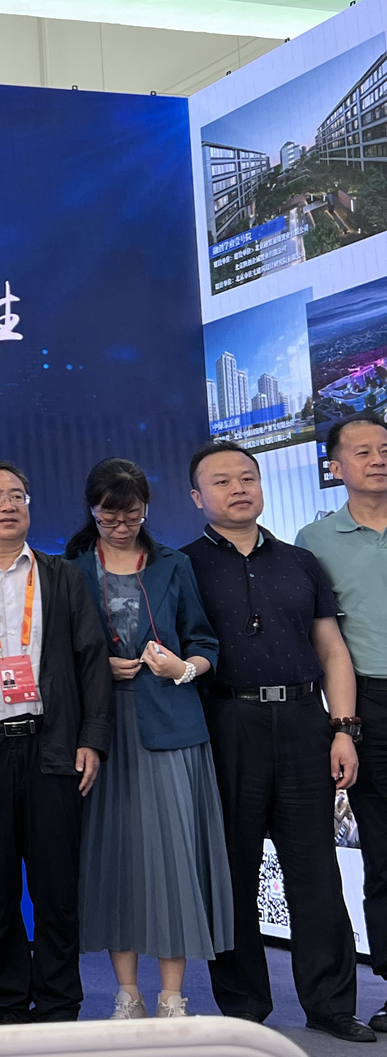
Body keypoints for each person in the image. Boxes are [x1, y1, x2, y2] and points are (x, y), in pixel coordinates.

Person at [186, 439, 371, 1042]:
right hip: (225, 724)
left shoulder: (301, 561)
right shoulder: (181, 566)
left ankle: (331, 1005)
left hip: (302, 722)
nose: (238, 488)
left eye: (247, 477)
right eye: (221, 481)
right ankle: (243, 1007)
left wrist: (342, 729)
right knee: (232, 871)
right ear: (196, 497)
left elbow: (332, 651)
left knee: (314, 869)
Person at [0, 458, 110, 1025]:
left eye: (17, 494)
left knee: (58, 888)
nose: (7, 504)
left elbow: (92, 661)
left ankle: (60, 1004)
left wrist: (92, 739)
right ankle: (7, 1005)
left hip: (52, 748)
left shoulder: (62, 576)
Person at [64, 458, 232, 1020]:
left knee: (174, 860)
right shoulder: (70, 570)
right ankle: (127, 994)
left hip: (171, 726)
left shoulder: (173, 564)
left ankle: (172, 996)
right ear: (92, 511)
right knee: (115, 861)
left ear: (146, 509)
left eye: (131, 515)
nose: (121, 527)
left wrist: (182, 670)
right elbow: (57, 654)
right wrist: (96, 668)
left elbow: (205, 644)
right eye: (109, 517)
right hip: (102, 730)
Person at [299, 414, 387, 1030]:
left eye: (386, 448)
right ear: (335, 467)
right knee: (383, 854)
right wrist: (343, 724)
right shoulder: (314, 540)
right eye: (363, 451)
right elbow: (321, 641)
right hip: (371, 703)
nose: (379, 459)